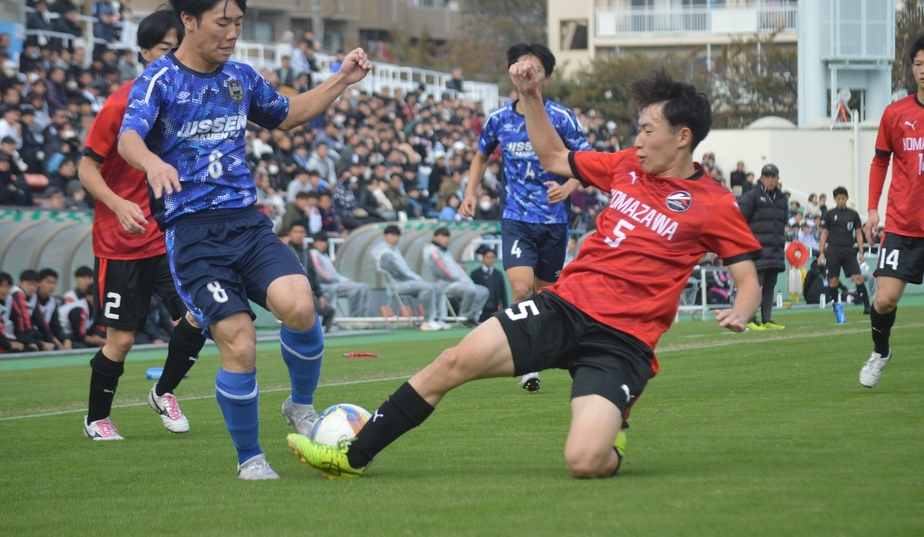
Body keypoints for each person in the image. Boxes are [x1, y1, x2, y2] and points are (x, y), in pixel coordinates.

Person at [289, 65, 762, 480]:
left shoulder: (713, 203)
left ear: (683, 137)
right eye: (636, 130)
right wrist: (531, 97)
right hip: (564, 306)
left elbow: (747, 281)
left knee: (584, 461)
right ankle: (353, 457)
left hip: (623, 342)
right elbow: (555, 159)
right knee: (452, 362)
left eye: (647, 131)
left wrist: (741, 311)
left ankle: (612, 430)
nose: (636, 141)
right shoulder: (625, 166)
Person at [117, 0, 370, 480]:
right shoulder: (158, 81)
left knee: (300, 306)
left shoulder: (240, 77)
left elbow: (289, 113)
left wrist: (342, 79)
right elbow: (128, 137)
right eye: (222, 23)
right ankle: (250, 458)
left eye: (238, 23)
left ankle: (300, 405)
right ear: (188, 20)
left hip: (246, 224)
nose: (232, 35)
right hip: (193, 236)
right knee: (240, 339)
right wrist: (153, 161)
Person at [77, 9, 208, 442]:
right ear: (144, 53)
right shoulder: (119, 103)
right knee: (122, 340)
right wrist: (117, 205)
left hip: (166, 236)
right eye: (166, 50)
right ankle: (97, 418)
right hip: (121, 241)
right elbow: (86, 167)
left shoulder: (184, 101)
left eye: (179, 49)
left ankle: (163, 392)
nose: (174, 58)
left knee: (199, 314)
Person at [459, 43, 590, 393]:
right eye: (520, 67)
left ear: (545, 77)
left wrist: (569, 188)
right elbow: (481, 156)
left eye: (534, 68)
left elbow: (587, 161)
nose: (526, 73)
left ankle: (557, 350)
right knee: (520, 288)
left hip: (554, 222)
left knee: (548, 297)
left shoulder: (561, 118)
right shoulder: (499, 118)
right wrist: (469, 193)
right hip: (516, 218)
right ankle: (528, 363)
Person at [860, 35, 924, 388]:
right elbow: (880, 162)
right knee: (884, 300)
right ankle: (881, 351)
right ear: (912, 68)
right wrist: (872, 210)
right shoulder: (895, 114)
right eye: (919, 63)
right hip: (902, 224)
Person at [736, 163, 788, 331]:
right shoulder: (752, 196)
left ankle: (767, 318)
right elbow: (740, 221)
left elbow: (782, 223)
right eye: (767, 176)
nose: (770, 180)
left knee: (770, 284)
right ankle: (750, 318)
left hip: (775, 249)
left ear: (778, 179)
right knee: (754, 285)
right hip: (756, 250)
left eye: (773, 177)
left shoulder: (781, 199)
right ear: (762, 178)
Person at [371, 224, 448, 331]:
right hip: (397, 286)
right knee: (427, 288)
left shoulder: (394, 250)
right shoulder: (384, 252)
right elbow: (398, 273)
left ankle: (439, 319)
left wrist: (415, 278)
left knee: (437, 288)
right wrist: (416, 278)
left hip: (407, 283)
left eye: (397, 235)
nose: (395, 238)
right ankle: (428, 321)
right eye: (392, 235)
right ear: (385, 236)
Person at [817, 187, 870, 315]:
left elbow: (858, 233)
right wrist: (822, 251)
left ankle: (867, 306)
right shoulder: (829, 214)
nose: (841, 200)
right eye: (838, 198)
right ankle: (836, 306)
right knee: (834, 280)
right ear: (835, 199)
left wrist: (861, 251)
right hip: (833, 250)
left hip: (849, 250)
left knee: (858, 278)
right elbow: (824, 233)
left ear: (846, 198)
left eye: (843, 198)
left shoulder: (853, 214)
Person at [422, 227, 489, 326]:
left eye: (447, 237)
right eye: (443, 236)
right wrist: (460, 279)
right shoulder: (432, 251)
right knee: (470, 290)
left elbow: (454, 269)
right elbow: (442, 271)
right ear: (435, 237)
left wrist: (464, 279)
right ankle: (464, 319)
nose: (446, 239)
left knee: (483, 291)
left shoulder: (445, 251)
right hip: (444, 284)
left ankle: (472, 317)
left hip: (457, 282)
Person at [283, 222, 335, 333]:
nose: (298, 235)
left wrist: (320, 295)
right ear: (290, 234)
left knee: (329, 311)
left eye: (301, 232)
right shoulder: (284, 251)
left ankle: (323, 335)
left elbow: (312, 275)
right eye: (295, 232)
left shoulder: (307, 253)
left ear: (305, 234)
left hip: (307, 295)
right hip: (290, 295)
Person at [309, 232, 373, 320]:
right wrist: (342, 281)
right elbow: (323, 276)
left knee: (365, 287)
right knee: (356, 289)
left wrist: (343, 279)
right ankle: (354, 320)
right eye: (321, 241)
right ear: (314, 243)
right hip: (326, 285)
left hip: (335, 283)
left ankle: (363, 318)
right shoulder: (314, 254)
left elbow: (333, 273)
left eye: (325, 242)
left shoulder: (325, 255)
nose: (323, 244)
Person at [470, 246, 509, 322]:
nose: (490, 260)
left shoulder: (498, 274)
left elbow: (503, 293)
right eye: (487, 257)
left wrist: (505, 310)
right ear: (483, 258)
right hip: (480, 310)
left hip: (495, 310)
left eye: (492, 258)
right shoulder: (475, 274)